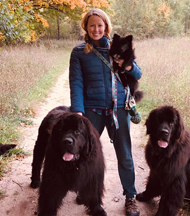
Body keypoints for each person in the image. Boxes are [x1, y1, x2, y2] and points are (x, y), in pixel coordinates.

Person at [69, 8, 142, 216]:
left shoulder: (117, 48)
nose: (96, 29)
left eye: (100, 25)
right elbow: (76, 83)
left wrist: (125, 66)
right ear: (86, 26)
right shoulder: (78, 52)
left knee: (125, 155)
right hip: (92, 110)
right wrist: (78, 112)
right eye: (92, 25)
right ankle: (85, 189)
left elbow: (138, 72)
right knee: (86, 154)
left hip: (119, 109)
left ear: (106, 27)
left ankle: (130, 197)